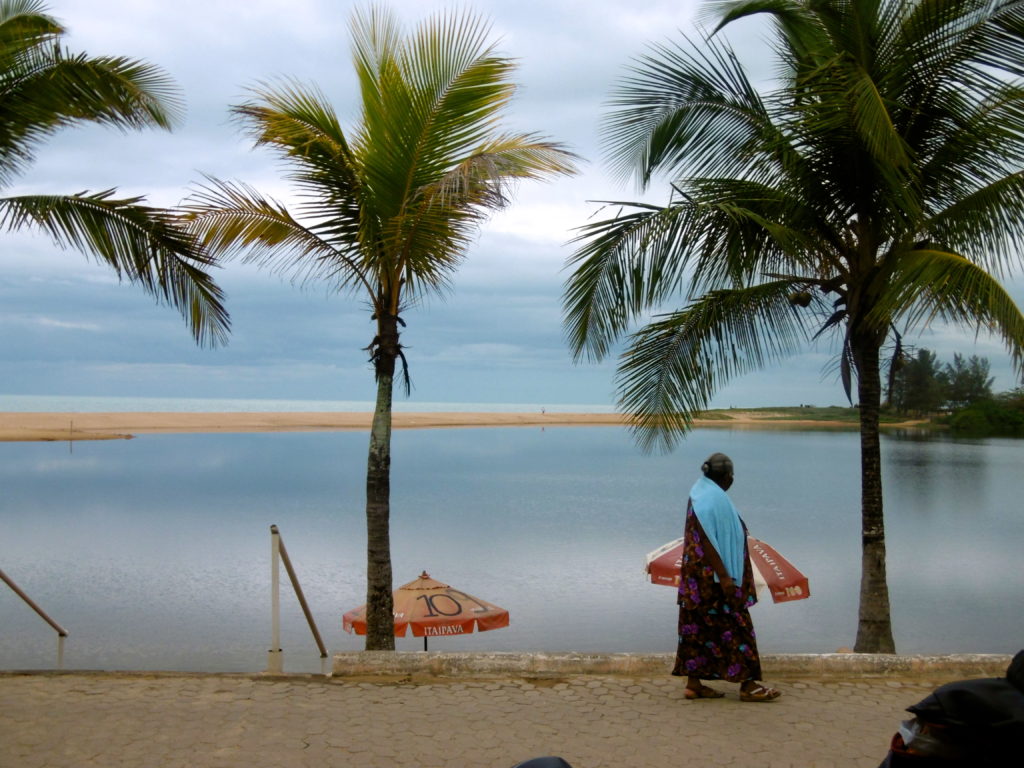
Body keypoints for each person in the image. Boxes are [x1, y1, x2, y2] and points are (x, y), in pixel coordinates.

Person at [671, 452, 781, 702]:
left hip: (696, 580)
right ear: (726, 477)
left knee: (695, 628)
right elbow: (708, 540)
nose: (733, 479)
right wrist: (726, 577)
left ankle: (694, 684)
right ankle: (749, 686)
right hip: (714, 581)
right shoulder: (711, 499)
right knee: (739, 627)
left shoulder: (700, 492)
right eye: (731, 475)